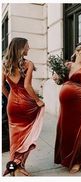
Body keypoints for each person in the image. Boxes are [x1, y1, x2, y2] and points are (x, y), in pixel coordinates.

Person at [2, 37, 45, 176]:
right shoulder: (28, 64)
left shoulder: (5, 64)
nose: (29, 48)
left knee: (15, 138)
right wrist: (38, 100)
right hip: (26, 104)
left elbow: (2, 86)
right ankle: (19, 165)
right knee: (27, 136)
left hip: (12, 104)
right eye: (27, 46)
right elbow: (27, 86)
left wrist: (10, 97)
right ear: (21, 48)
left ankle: (14, 168)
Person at [54, 45, 81, 173]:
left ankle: (76, 160)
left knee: (78, 130)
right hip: (65, 105)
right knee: (65, 129)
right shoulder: (67, 65)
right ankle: (65, 158)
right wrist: (56, 78)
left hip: (79, 102)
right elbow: (61, 81)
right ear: (76, 52)